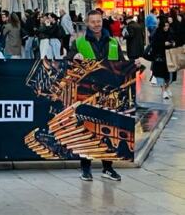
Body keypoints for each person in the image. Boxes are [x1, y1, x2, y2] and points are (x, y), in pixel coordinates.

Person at [69, 9, 139, 182]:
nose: (96, 25)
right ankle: (85, 169)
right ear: (87, 23)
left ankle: (108, 168)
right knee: (86, 129)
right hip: (87, 93)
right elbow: (68, 60)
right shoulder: (79, 43)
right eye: (93, 22)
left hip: (110, 93)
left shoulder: (113, 42)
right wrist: (73, 57)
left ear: (102, 21)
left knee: (108, 129)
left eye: (98, 21)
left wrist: (132, 65)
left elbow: (121, 64)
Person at [145, 16, 178, 101]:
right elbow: (154, 44)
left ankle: (166, 88)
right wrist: (163, 43)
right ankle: (163, 91)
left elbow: (175, 39)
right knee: (160, 76)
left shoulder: (171, 31)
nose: (166, 27)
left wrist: (173, 43)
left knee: (171, 77)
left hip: (170, 57)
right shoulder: (157, 33)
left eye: (167, 25)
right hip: (160, 58)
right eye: (165, 26)